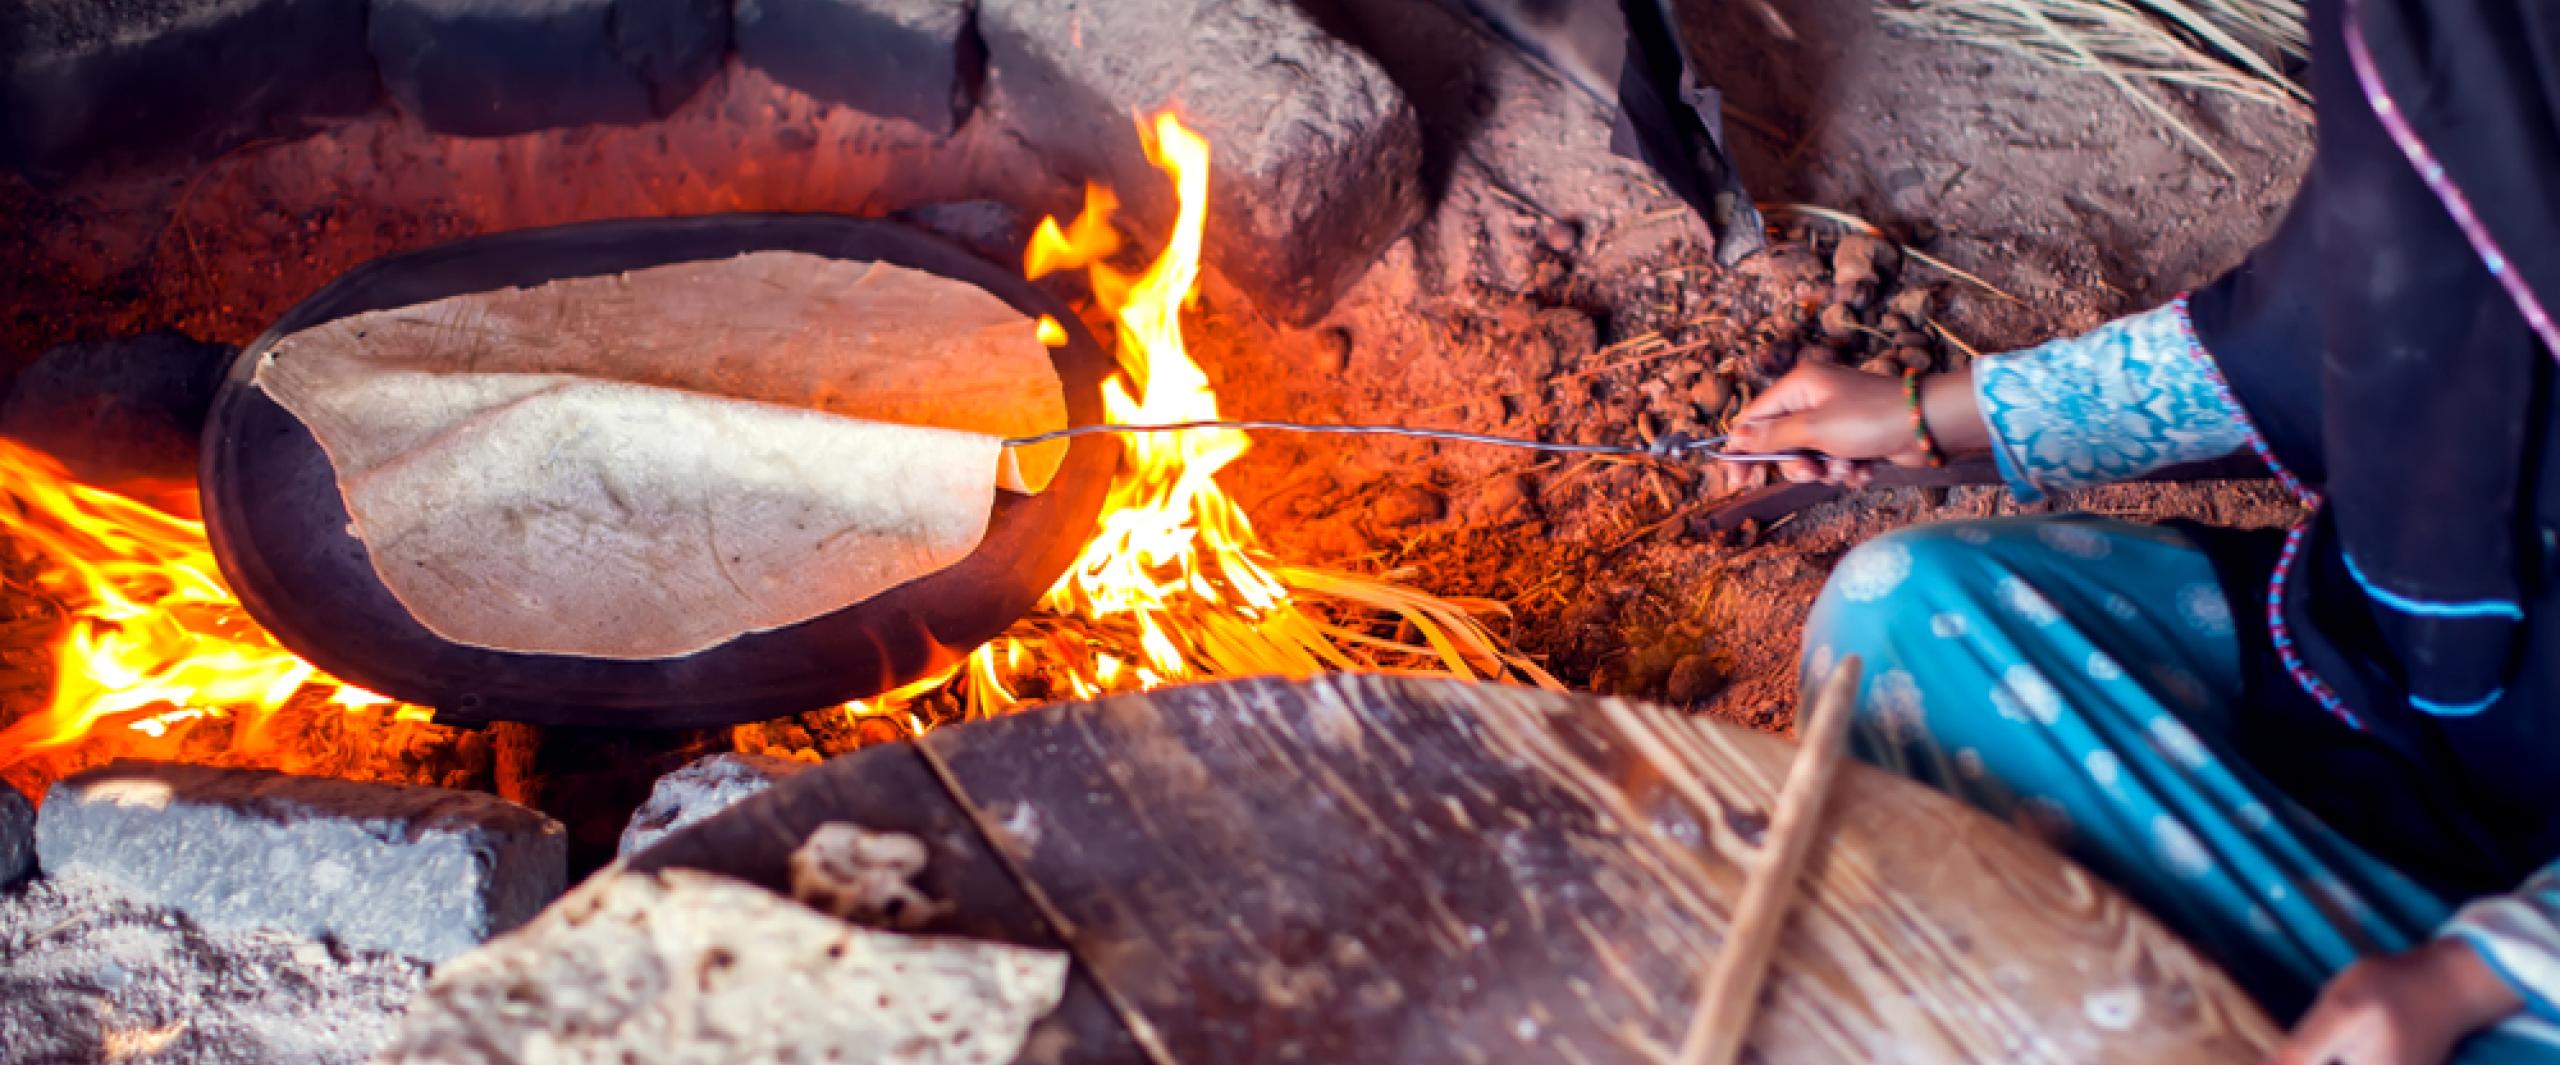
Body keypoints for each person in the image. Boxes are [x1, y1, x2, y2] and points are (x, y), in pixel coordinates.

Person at [1726, 0, 2560, 1061]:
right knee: (1912, 610)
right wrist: (1924, 416)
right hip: (2397, 669)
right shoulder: (2451, 34)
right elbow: (2319, 324)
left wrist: (2475, 972)